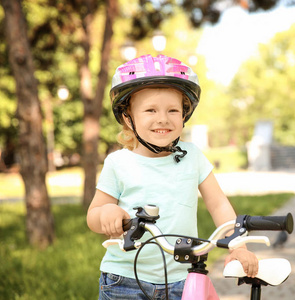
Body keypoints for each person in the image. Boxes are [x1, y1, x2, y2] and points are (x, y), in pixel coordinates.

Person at [86, 54, 259, 300]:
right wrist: (106, 214)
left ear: (184, 114)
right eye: (150, 110)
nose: (163, 119)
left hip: (183, 278)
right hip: (124, 280)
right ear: (128, 117)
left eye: (173, 110)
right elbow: (93, 215)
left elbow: (218, 203)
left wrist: (237, 246)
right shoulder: (119, 163)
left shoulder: (193, 156)